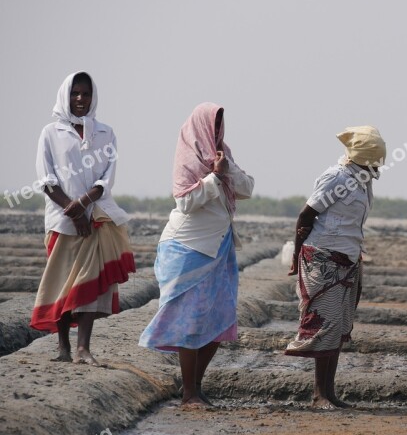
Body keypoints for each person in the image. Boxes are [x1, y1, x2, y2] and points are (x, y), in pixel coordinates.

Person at [139, 103, 254, 409]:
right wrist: (214, 178)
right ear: (201, 126)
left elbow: (248, 187)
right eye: (213, 125)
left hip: (219, 248)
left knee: (220, 320)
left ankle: (195, 387)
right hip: (187, 249)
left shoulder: (223, 154)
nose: (217, 131)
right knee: (188, 322)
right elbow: (186, 202)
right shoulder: (187, 157)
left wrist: (226, 170)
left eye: (220, 125)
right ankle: (189, 392)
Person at [31, 72, 136, 366]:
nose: (80, 99)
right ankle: (63, 347)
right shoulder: (50, 133)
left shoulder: (105, 133)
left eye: (85, 94)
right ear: (66, 95)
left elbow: (107, 178)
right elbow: (46, 179)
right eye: (75, 93)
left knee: (89, 284)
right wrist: (72, 209)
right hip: (60, 221)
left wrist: (84, 205)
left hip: (95, 218)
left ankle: (83, 349)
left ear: (93, 98)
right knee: (61, 283)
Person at [285, 126, 386, 410]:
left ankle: (330, 393)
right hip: (323, 258)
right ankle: (319, 396)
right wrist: (296, 258)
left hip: (349, 259)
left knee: (339, 327)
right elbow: (306, 217)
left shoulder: (363, 179)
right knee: (324, 325)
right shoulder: (336, 178)